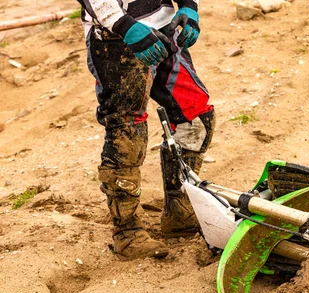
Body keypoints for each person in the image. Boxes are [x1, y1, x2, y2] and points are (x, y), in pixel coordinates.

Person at [76, 0, 215, 260]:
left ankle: (179, 211)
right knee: (126, 132)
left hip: (165, 28)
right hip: (116, 39)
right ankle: (127, 232)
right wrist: (123, 24)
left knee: (194, 116)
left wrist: (188, 5)